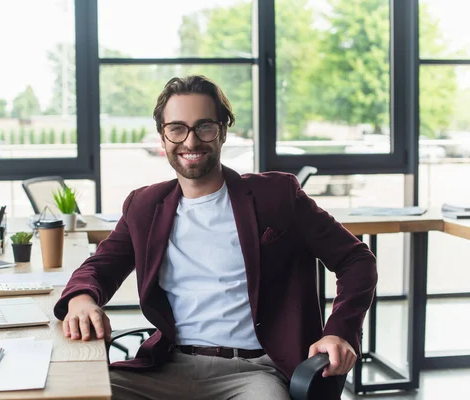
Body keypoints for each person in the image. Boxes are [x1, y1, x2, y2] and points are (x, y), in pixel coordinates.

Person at [53, 75, 377, 399]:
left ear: (223, 131)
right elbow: (99, 268)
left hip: (253, 374)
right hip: (167, 367)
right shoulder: (145, 206)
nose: (190, 142)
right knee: (73, 392)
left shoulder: (276, 196)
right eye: (176, 128)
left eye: (204, 127)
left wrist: (340, 332)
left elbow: (356, 259)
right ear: (162, 137)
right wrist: (82, 299)